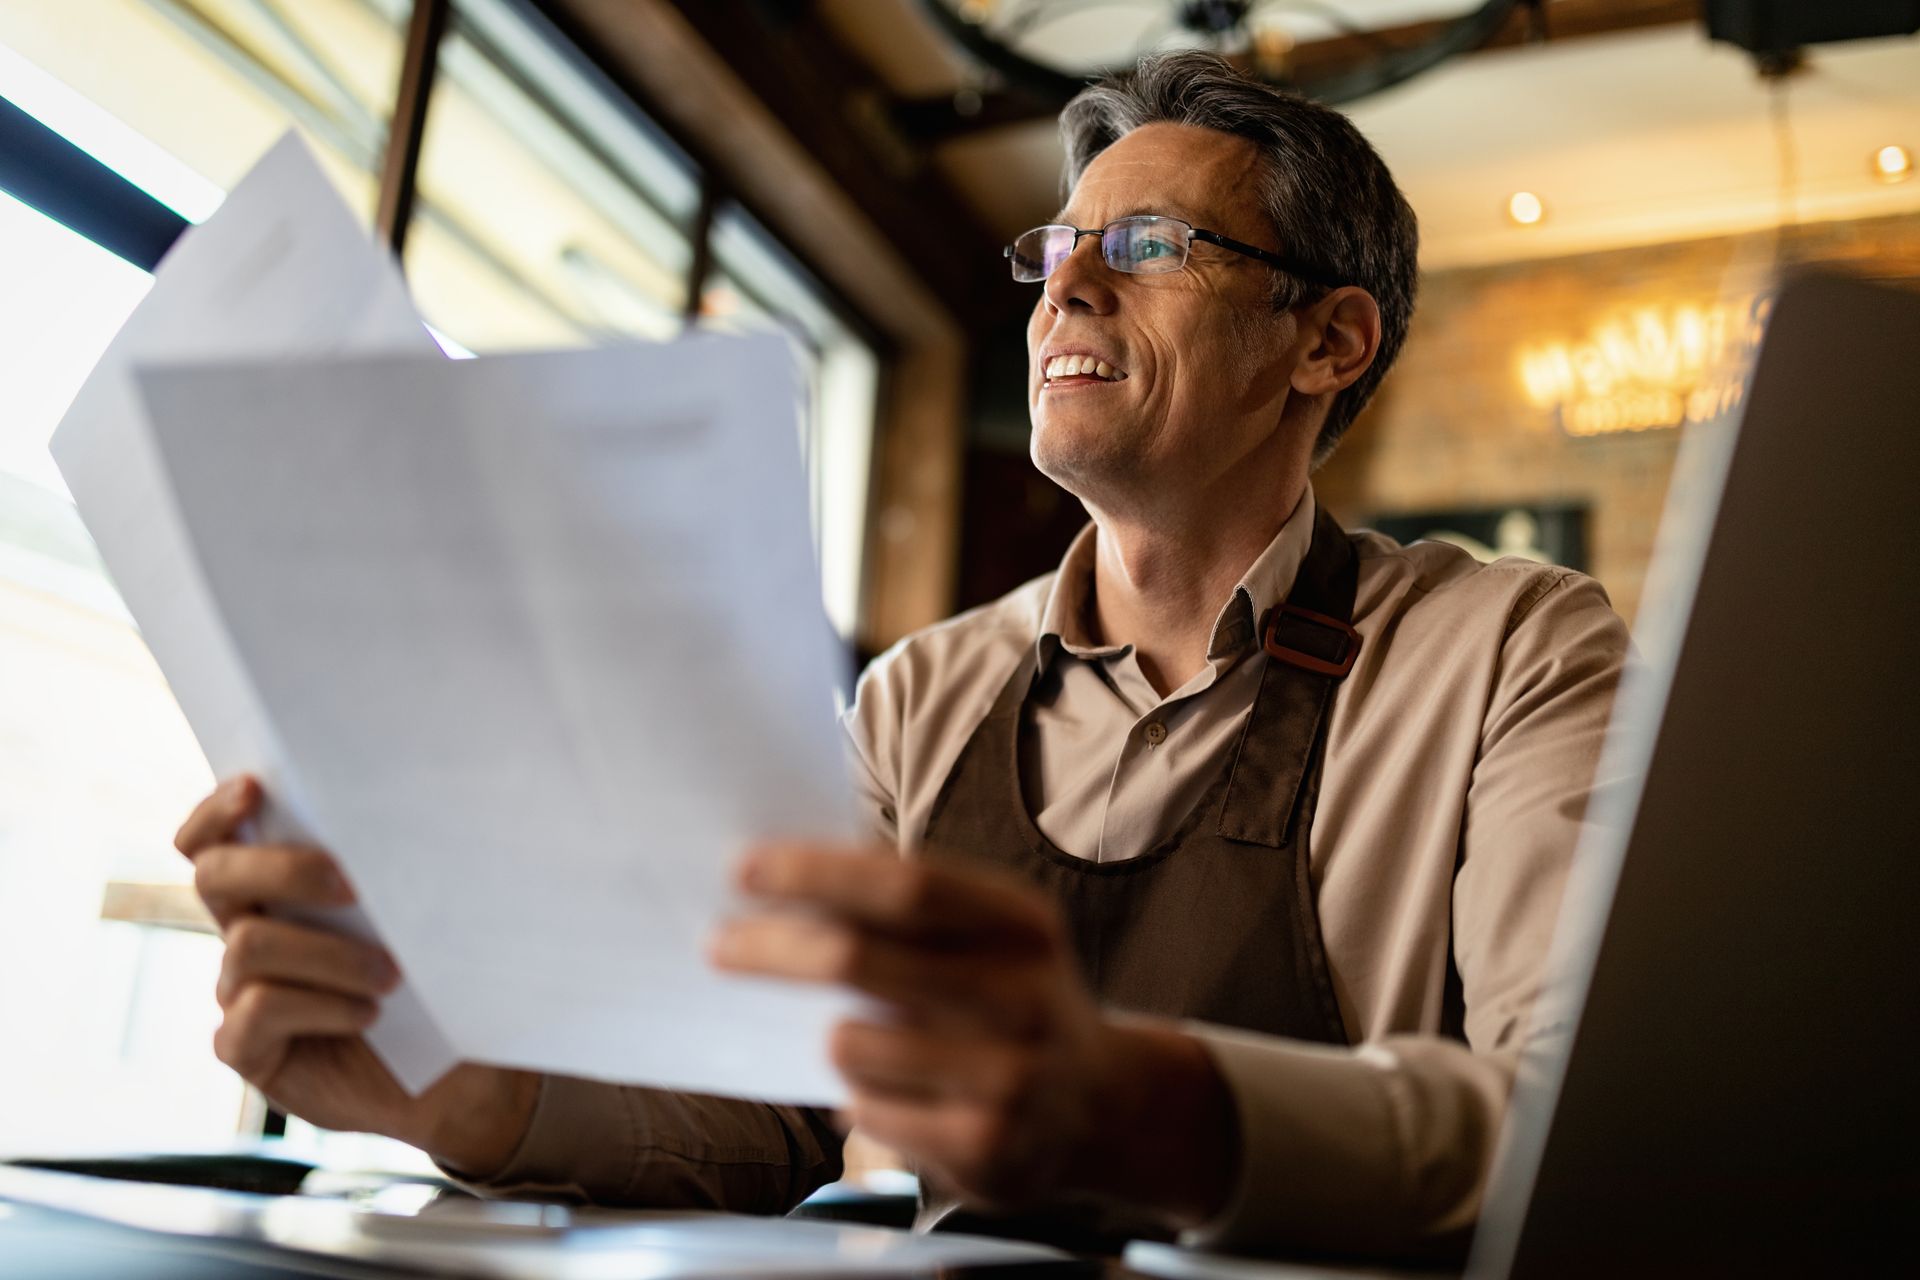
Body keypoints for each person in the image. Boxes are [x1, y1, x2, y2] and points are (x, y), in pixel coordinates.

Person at [172, 51, 1627, 1260]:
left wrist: (1144, 1105)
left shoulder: (1513, 650)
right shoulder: (915, 697)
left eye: (1140, 249)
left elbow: (1595, 1135)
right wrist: (460, 1097)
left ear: (1328, 343)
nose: (1065, 291)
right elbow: (768, 1114)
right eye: (1057, 253)